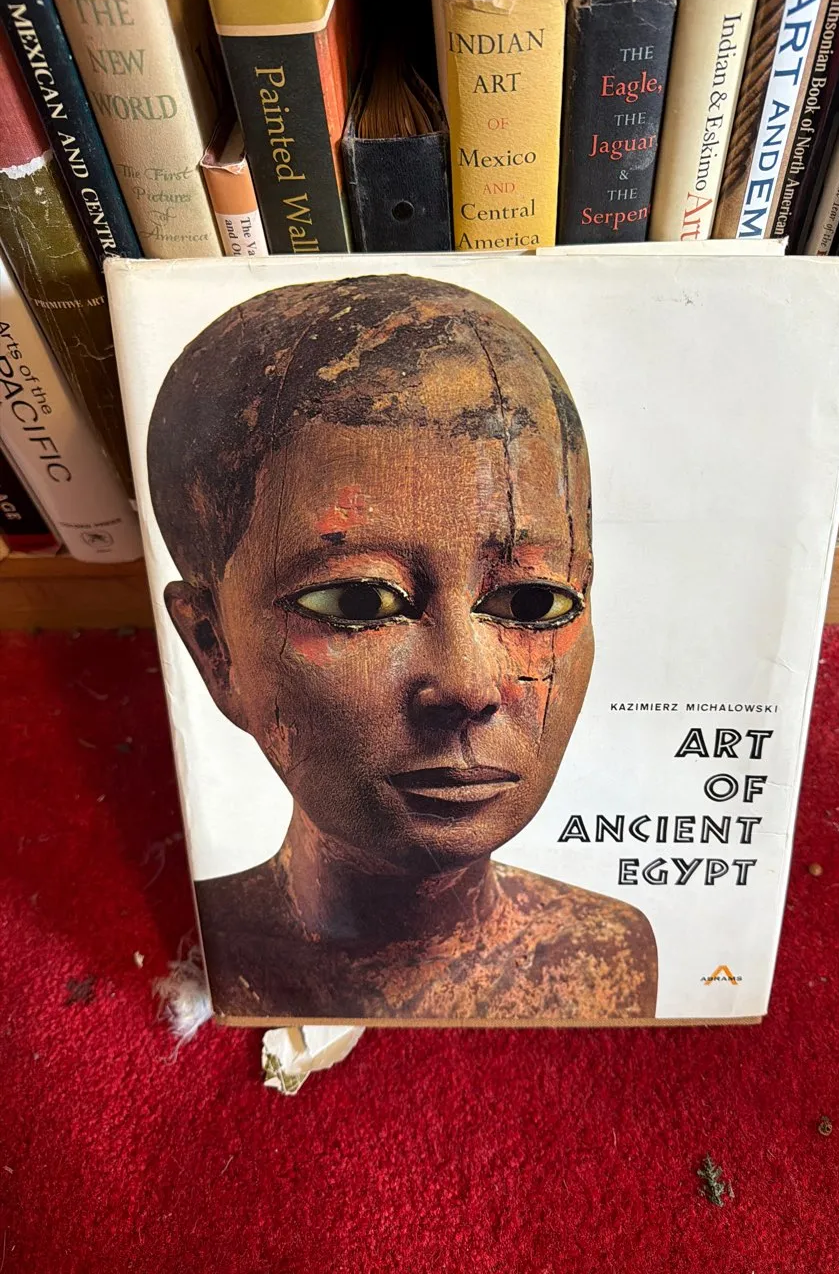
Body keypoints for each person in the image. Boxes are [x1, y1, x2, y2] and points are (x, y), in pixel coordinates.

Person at [147, 273, 657, 1021]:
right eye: (359, 603)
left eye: (532, 602)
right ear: (212, 648)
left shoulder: (605, 952)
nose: (468, 686)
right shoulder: (220, 949)